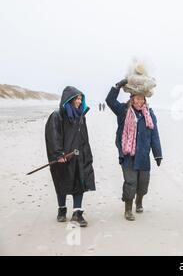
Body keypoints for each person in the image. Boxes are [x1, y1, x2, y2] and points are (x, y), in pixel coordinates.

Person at [106, 79, 162, 221]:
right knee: (130, 182)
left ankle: (139, 201)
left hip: (143, 155)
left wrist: (158, 154)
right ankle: (128, 209)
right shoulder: (123, 111)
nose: (139, 101)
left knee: (143, 183)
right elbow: (110, 101)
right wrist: (116, 86)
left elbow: (154, 135)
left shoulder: (149, 115)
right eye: (136, 98)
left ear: (144, 100)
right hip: (127, 155)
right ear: (132, 98)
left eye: (141, 99)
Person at [45, 86, 95, 227]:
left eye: (81, 99)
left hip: (78, 155)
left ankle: (77, 213)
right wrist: (58, 154)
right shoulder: (57, 115)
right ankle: (62, 209)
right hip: (63, 157)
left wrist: (86, 153)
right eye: (77, 98)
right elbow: (53, 136)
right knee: (62, 182)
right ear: (70, 99)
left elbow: (83, 136)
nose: (79, 101)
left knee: (80, 182)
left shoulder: (80, 115)